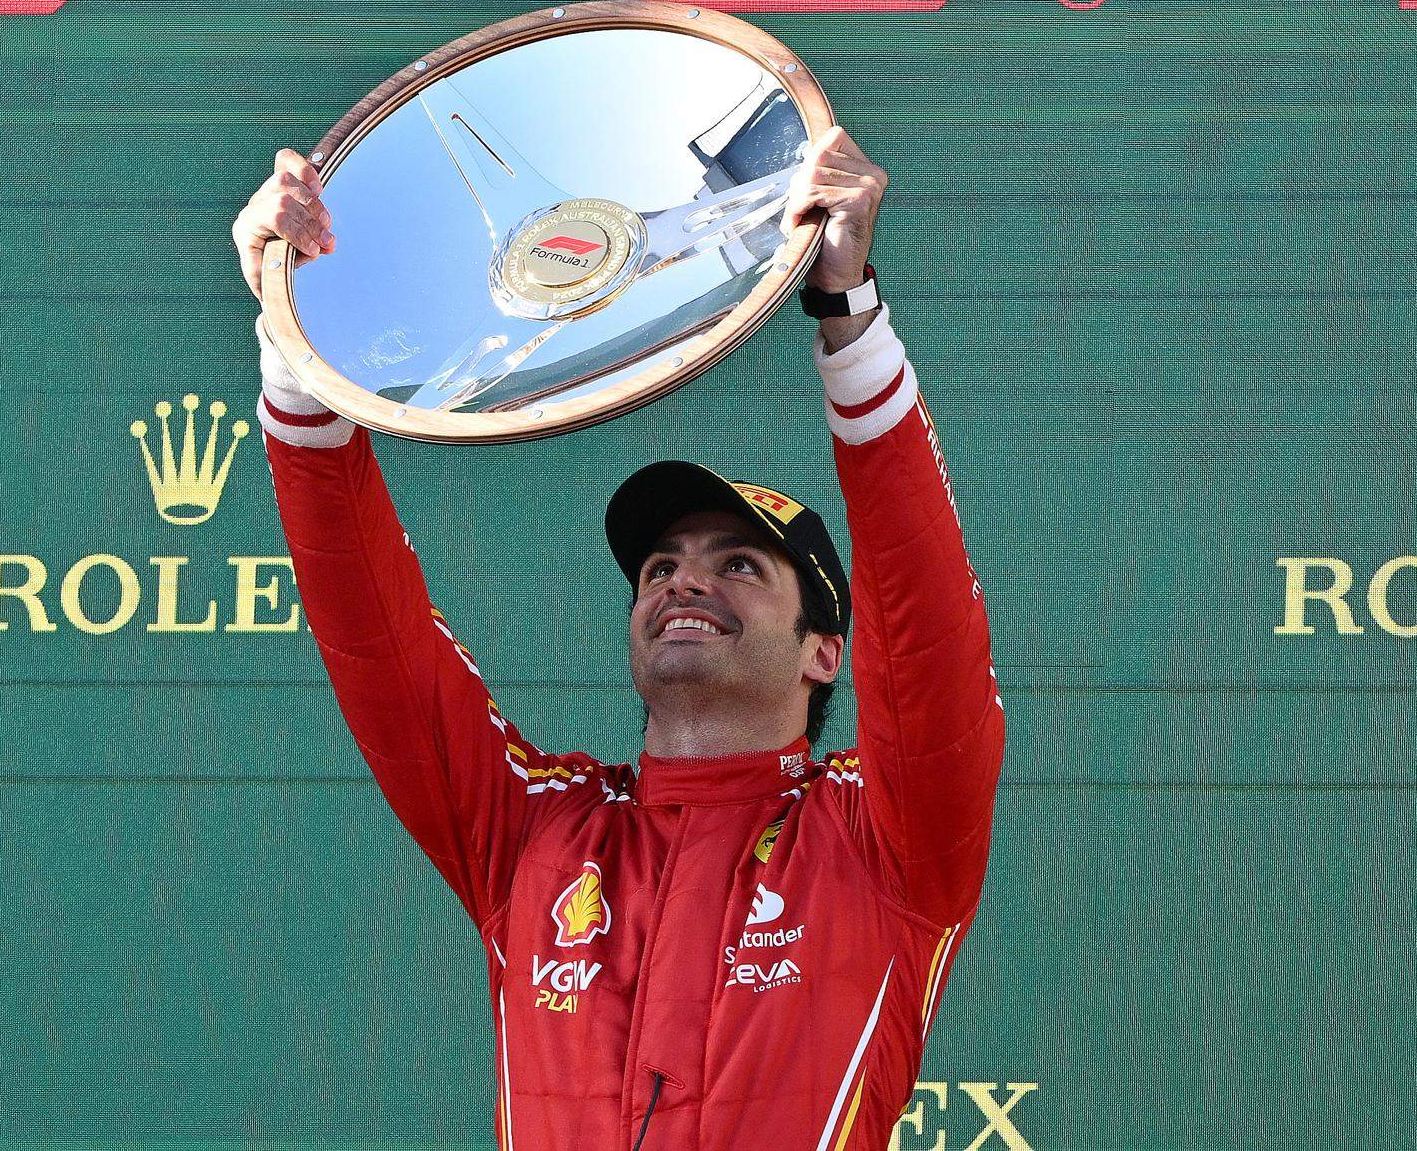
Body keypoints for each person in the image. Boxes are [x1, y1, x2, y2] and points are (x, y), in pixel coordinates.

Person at [232, 126, 1004, 1150]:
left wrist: (847, 318)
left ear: (826, 650)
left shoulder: (880, 840)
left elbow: (926, 629)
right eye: (661, 566)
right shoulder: (534, 829)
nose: (685, 576)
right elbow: (375, 637)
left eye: (739, 564)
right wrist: (299, 343)